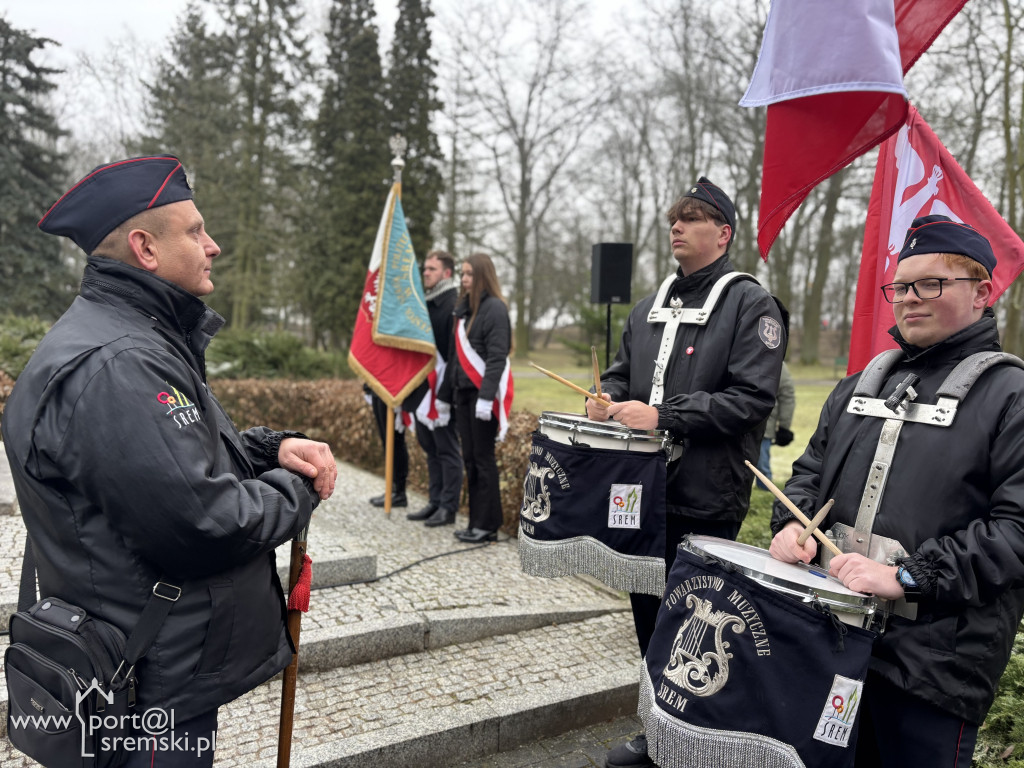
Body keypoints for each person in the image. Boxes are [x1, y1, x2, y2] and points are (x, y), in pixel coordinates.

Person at [2, 155, 338, 768]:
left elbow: (171, 458)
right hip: (143, 687)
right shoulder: (120, 362)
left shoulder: (129, 335)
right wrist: (300, 486)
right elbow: (206, 523)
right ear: (145, 248)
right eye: (195, 231)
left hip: (137, 663)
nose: (213, 246)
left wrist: (267, 450)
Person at [769, 215, 1024, 768]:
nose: (909, 299)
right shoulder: (863, 383)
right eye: (901, 287)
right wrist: (792, 524)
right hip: (831, 639)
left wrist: (907, 576)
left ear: (983, 293)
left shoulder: (1012, 396)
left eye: (931, 284)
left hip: (933, 670)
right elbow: (810, 471)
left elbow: (1016, 532)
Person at [587, 177, 786, 768]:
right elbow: (622, 375)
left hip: (705, 494)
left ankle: (688, 741)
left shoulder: (752, 304)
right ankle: (658, 733)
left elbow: (751, 400)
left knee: (691, 625)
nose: (677, 226)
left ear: (722, 233)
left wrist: (664, 416)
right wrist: (606, 398)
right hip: (639, 493)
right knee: (647, 617)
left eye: (694, 218)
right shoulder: (650, 306)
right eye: (676, 217)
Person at [440, 253, 512, 544]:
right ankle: (475, 522)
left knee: (483, 460)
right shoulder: (464, 310)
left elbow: (497, 357)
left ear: (483, 275)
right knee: (469, 459)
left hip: (482, 398)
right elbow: (453, 359)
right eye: (463, 274)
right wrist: (445, 397)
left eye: (469, 274)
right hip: (463, 395)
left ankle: (488, 525)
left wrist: (485, 397)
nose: (464, 279)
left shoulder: (494, 308)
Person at [406, 250, 464, 527]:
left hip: (443, 390)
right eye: (424, 268)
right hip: (424, 389)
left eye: (431, 269)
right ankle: (435, 501)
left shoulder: (452, 303)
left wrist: (443, 396)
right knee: (430, 447)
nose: (425, 272)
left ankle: (448, 507)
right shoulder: (426, 303)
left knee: (447, 449)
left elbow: (454, 355)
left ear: (447, 273)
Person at [365, 386, 409, 508]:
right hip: (378, 389)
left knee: (395, 442)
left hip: (393, 390)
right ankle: (392, 489)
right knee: (387, 442)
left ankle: (399, 492)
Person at [755, 359, 795, 490]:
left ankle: (765, 491)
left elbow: (786, 395)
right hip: (732, 425)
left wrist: (784, 427)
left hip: (763, 426)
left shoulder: (776, 364)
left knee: (761, 464)